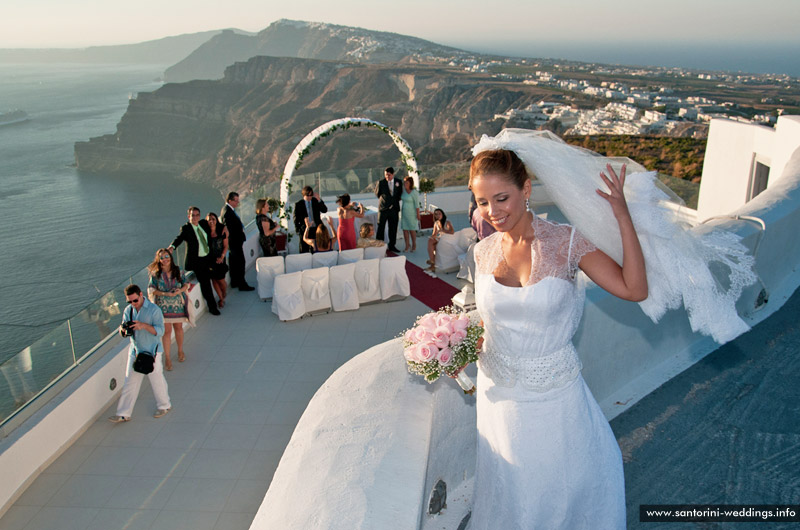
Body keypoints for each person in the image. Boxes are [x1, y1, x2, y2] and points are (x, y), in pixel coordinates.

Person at [467, 147, 647, 529]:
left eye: (502, 198)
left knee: (554, 488)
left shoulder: (566, 243)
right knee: (507, 486)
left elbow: (634, 289)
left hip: (552, 399)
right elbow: (491, 322)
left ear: (526, 189)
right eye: (483, 202)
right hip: (496, 393)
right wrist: (455, 346)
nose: (493, 211)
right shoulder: (482, 252)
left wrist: (622, 216)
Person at [109, 284, 172, 423]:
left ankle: (164, 406)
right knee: (130, 381)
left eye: (135, 300)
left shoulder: (154, 310)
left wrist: (143, 326)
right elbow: (124, 327)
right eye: (130, 301)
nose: (133, 304)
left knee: (156, 380)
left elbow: (160, 331)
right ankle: (123, 413)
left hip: (152, 352)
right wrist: (123, 331)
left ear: (141, 295)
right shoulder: (128, 310)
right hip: (135, 351)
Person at [169, 206, 220, 315]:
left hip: (207, 257)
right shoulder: (186, 228)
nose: (195, 217)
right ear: (189, 216)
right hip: (198, 261)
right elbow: (179, 238)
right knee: (205, 283)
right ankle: (212, 307)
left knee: (219, 274)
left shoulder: (203, 224)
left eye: (197, 215)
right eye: (193, 215)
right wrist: (172, 247)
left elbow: (214, 228)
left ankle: (221, 298)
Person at [147, 248, 189, 371]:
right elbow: (151, 290)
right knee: (167, 332)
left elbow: (186, 284)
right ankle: (168, 358)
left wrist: (180, 291)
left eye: (167, 256)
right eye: (162, 257)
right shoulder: (155, 274)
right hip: (163, 307)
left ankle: (180, 351)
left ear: (170, 257)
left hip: (177, 305)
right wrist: (165, 294)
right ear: (158, 260)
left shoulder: (178, 271)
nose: (165, 259)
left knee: (178, 328)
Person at [221, 192, 254, 291]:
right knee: (240, 262)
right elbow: (229, 230)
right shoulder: (227, 212)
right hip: (234, 242)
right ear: (230, 200)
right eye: (236, 200)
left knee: (233, 262)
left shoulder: (229, 210)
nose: (238, 203)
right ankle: (242, 284)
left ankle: (235, 281)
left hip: (235, 242)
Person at [374, 167, 402, 252]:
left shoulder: (398, 182)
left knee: (393, 228)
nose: (387, 177)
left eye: (389, 175)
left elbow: (399, 194)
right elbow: (377, 194)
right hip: (383, 209)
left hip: (394, 209)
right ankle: (379, 245)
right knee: (381, 228)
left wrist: (394, 202)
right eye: (386, 175)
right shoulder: (381, 182)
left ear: (393, 174)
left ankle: (392, 245)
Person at [294, 186, 328, 253]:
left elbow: (324, 210)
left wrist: (319, 199)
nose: (309, 197)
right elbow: (296, 218)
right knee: (304, 248)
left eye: (311, 195)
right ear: (304, 195)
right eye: (308, 195)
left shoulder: (315, 201)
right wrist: (298, 229)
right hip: (306, 229)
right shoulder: (299, 204)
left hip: (316, 228)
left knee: (317, 247)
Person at [205, 212, 229, 308]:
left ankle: (224, 293)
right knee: (214, 280)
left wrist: (222, 257)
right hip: (210, 260)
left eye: (213, 219)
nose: (211, 221)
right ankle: (221, 299)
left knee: (221, 280)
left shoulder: (222, 231)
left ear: (216, 220)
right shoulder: (205, 232)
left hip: (220, 259)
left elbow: (226, 246)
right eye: (209, 219)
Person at [424, 208, 454, 274]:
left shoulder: (447, 222)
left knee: (431, 243)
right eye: (436, 214)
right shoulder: (436, 223)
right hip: (441, 238)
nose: (438, 215)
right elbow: (434, 234)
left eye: (439, 214)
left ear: (442, 214)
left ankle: (432, 263)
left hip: (447, 239)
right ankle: (433, 264)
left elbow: (452, 232)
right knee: (431, 244)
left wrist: (443, 231)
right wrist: (432, 237)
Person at [400, 176, 420, 252]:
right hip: (404, 213)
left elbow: (417, 205)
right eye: (404, 182)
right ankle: (407, 245)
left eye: (407, 182)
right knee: (405, 230)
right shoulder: (404, 191)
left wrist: (418, 214)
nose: (405, 184)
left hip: (412, 213)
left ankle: (414, 244)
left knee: (412, 230)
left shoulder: (414, 192)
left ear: (410, 183)